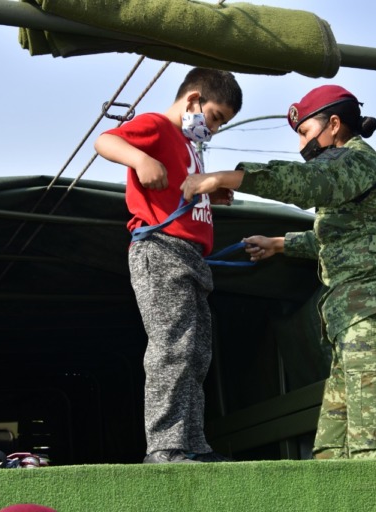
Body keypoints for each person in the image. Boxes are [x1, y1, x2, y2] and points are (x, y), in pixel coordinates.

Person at [180, 84, 376, 511]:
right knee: (333, 456)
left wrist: (224, 178)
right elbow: (339, 237)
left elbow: (304, 183)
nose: (302, 144)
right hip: (357, 325)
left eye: (305, 132)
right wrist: (279, 244)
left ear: (334, 125)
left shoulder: (354, 161)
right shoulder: (352, 178)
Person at [94, 67, 242, 464]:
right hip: (161, 249)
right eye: (215, 117)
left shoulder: (190, 146)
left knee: (196, 352)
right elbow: (105, 141)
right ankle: (164, 446)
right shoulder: (158, 125)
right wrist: (141, 159)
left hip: (192, 257)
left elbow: (179, 189)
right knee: (172, 347)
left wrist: (210, 196)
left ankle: (192, 443)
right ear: (193, 99)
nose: (214, 128)